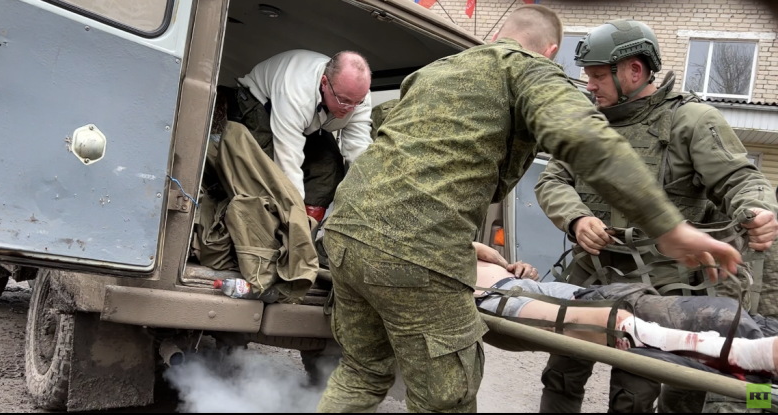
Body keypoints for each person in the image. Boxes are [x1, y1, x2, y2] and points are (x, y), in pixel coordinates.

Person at [316, 5, 742, 413]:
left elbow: (389, 131)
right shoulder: (527, 68)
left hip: (347, 233)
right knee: (446, 398)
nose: (589, 84)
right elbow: (585, 138)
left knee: (362, 373)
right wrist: (668, 227)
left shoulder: (436, 71)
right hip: (416, 251)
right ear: (551, 52)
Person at [534, 19, 778, 413]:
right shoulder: (587, 122)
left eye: (598, 75)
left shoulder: (691, 121)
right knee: (561, 373)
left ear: (634, 70)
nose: (589, 85)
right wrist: (577, 219)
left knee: (634, 394)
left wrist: (759, 212)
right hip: (591, 276)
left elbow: (740, 179)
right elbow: (552, 180)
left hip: (660, 290)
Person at [472, 246, 778, 379]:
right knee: (616, 328)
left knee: (633, 304)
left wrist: (511, 265)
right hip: (489, 300)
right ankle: (754, 358)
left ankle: (759, 355)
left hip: (516, 285)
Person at [222, 49, 374, 223]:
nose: (350, 108)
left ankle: (304, 236)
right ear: (324, 82)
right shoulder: (296, 91)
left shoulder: (357, 96)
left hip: (309, 122)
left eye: (357, 102)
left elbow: (358, 148)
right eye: (344, 101)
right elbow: (287, 161)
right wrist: (294, 214)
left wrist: (370, 196)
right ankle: (276, 230)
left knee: (328, 168)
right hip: (260, 102)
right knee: (264, 173)